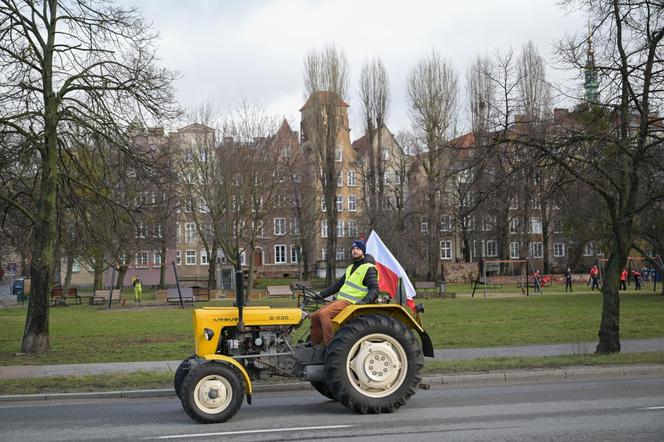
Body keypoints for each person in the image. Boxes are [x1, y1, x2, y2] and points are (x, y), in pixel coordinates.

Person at [309, 239, 379, 346]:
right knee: (314, 316)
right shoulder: (351, 267)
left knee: (324, 314)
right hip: (341, 301)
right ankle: (314, 344)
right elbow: (337, 285)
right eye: (353, 249)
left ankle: (329, 345)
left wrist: (365, 301)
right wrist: (320, 295)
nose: (355, 251)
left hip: (352, 302)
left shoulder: (368, 268)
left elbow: (374, 288)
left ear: (363, 251)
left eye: (358, 249)